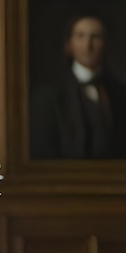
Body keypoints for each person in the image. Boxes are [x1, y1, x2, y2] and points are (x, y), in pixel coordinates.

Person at [30, 13, 126, 159]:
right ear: (69, 44)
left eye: (95, 37)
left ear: (106, 43)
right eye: (80, 36)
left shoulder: (120, 92)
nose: (88, 45)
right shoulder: (48, 96)